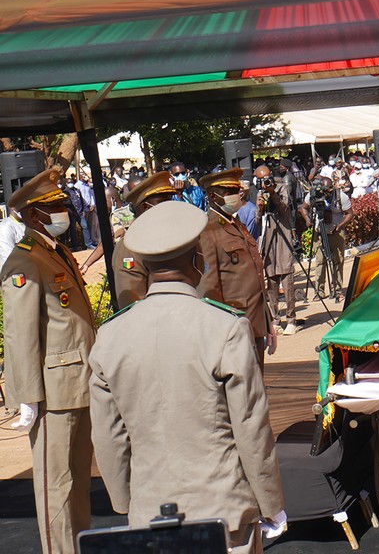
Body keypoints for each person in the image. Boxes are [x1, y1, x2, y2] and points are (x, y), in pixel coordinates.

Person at [89, 200, 286, 554]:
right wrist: (270, 502)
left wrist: (125, 502)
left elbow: (108, 434)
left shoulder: (111, 335)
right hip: (223, 511)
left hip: (149, 512)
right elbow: (250, 428)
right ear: (197, 259)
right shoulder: (225, 328)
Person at [1, 167, 96, 554]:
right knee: (55, 484)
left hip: (79, 381)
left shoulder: (53, 253)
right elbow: (20, 334)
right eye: (55, 206)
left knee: (78, 481)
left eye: (62, 203)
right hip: (51, 392)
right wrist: (25, 395)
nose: (64, 211)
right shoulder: (25, 262)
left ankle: (79, 546)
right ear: (32, 214)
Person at [198, 168, 276, 363]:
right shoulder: (207, 232)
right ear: (212, 196)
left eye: (236, 191)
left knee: (257, 386)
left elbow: (255, 278)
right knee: (243, 389)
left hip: (255, 322)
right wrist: (221, 333)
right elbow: (208, 288)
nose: (236, 196)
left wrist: (268, 323)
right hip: (233, 327)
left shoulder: (236, 224)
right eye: (229, 192)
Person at [113, 171, 179, 308]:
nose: (169, 206)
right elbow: (132, 304)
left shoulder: (174, 236)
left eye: (170, 200)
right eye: (162, 202)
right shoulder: (130, 247)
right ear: (145, 207)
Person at [254, 164, 299, 335]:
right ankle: (275, 319)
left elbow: (284, 209)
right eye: (260, 180)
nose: (264, 183)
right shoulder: (259, 193)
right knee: (271, 280)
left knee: (287, 278)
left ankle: (291, 319)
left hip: (283, 238)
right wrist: (259, 208)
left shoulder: (282, 188)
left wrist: (273, 193)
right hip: (268, 240)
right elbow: (257, 221)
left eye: (265, 178)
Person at [300, 176, 353, 301]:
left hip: (336, 233)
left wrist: (340, 226)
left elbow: (350, 213)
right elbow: (303, 208)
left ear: (333, 186)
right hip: (319, 233)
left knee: (337, 261)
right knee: (320, 262)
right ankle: (319, 291)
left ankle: (337, 290)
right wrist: (308, 219)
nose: (327, 192)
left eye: (330, 189)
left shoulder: (341, 196)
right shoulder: (314, 195)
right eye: (325, 190)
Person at [74, 171, 97, 248]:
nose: (85, 176)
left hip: (90, 207)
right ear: (80, 176)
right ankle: (87, 244)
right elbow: (79, 198)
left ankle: (91, 241)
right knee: (85, 226)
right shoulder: (77, 185)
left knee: (90, 225)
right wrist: (83, 208)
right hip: (83, 208)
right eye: (83, 175)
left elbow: (90, 195)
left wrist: (92, 204)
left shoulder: (87, 185)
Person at [0, 205, 26, 269]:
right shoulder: (6, 226)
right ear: (12, 208)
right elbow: (7, 258)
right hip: (16, 272)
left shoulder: (27, 224)